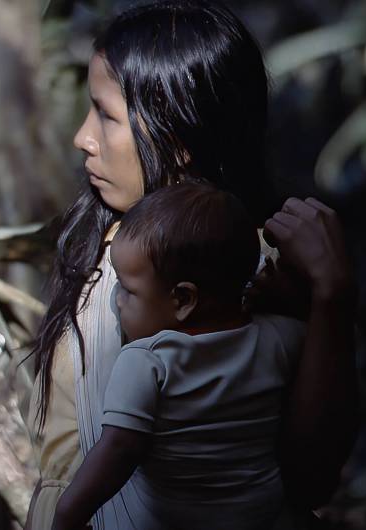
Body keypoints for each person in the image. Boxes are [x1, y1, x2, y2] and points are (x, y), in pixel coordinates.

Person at [25, 1, 358, 529]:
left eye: (106, 115)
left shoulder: (240, 277)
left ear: (176, 141)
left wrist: (329, 301)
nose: (82, 138)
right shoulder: (115, 240)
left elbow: (308, 475)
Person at [50, 183, 308, 530]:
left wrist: (67, 515)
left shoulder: (146, 362)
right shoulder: (279, 337)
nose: (116, 300)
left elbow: (119, 450)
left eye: (128, 289)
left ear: (184, 300)